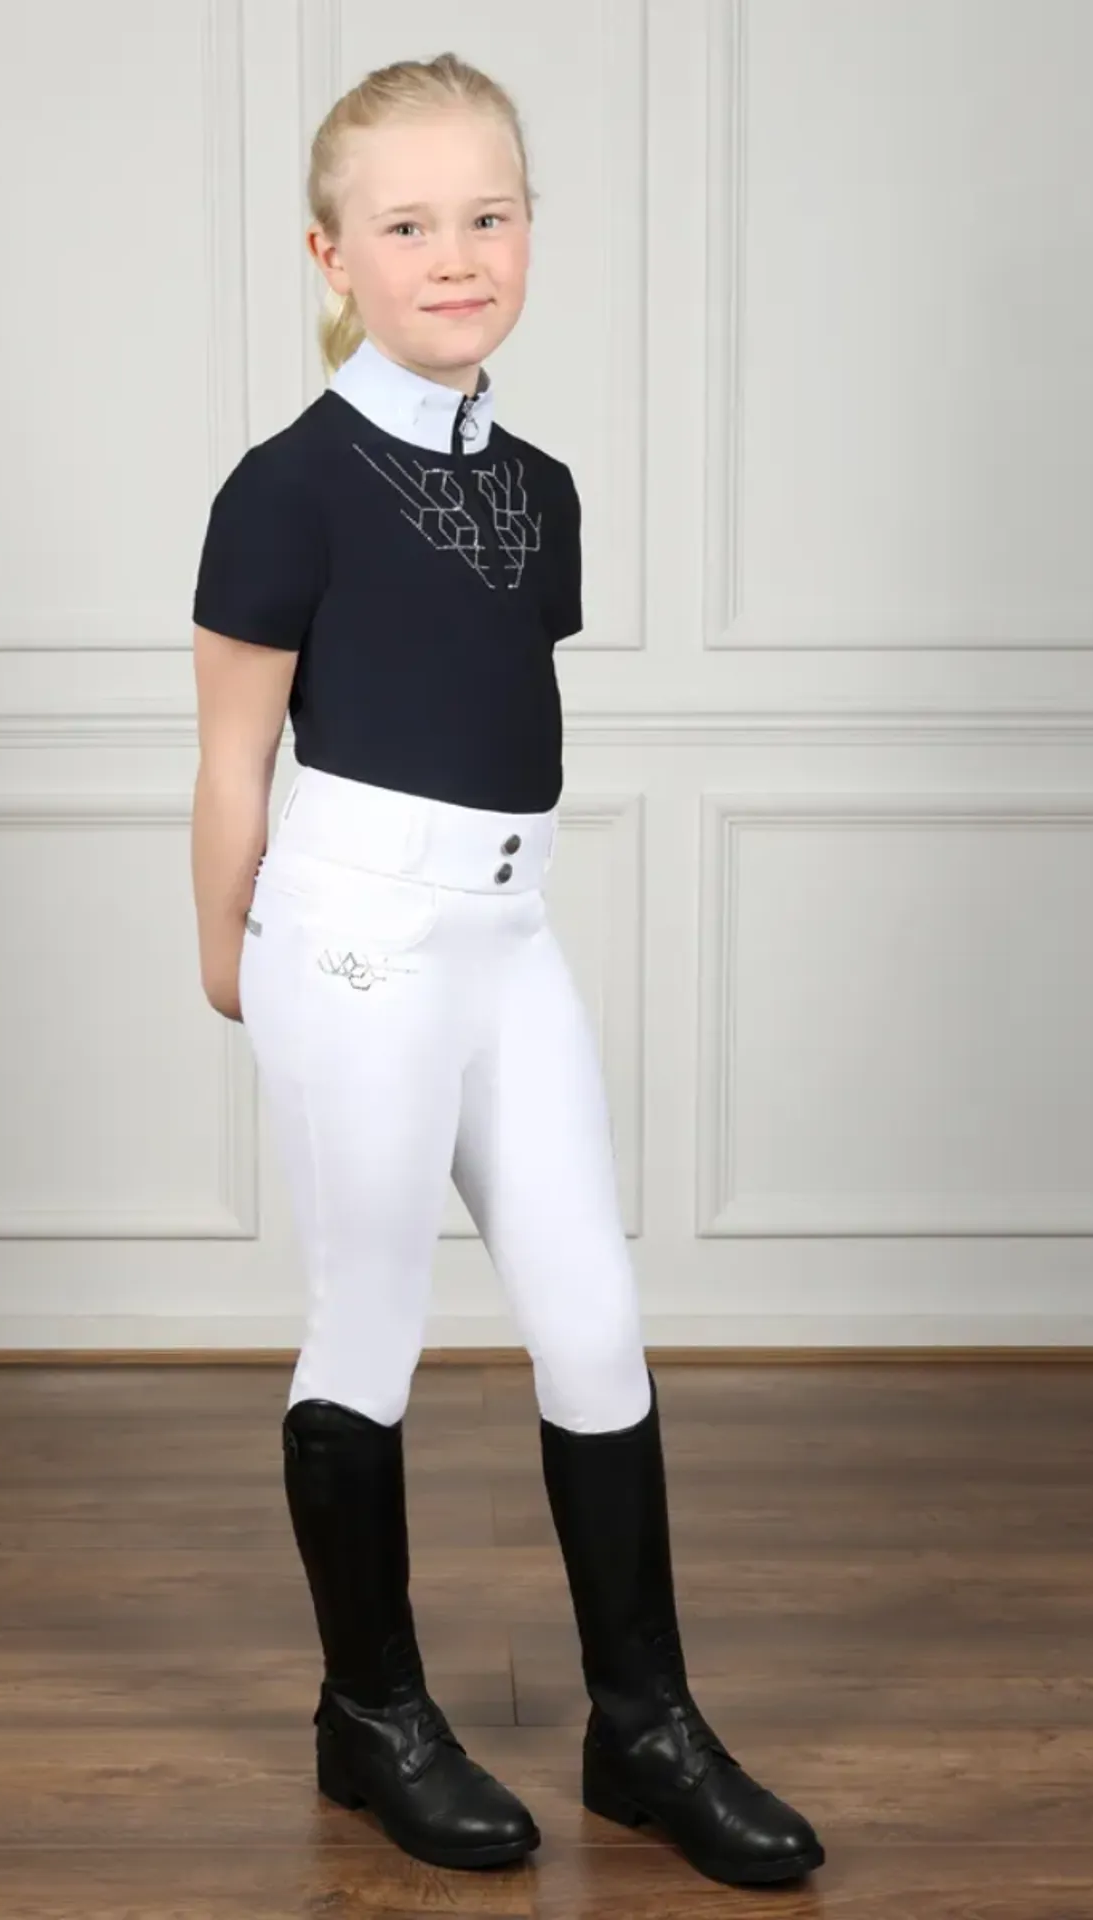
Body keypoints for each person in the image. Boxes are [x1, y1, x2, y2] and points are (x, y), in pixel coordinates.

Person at [187, 51, 824, 1889]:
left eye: (489, 215)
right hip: (353, 940)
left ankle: (646, 1725)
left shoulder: (540, 490)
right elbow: (232, 753)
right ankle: (373, 1714)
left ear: (533, 228)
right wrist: (232, 954)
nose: (455, 254)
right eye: (407, 226)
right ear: (332, 255)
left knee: (596, 1321)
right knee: (370, 1321)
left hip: (508, 934)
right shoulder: (285, 488)